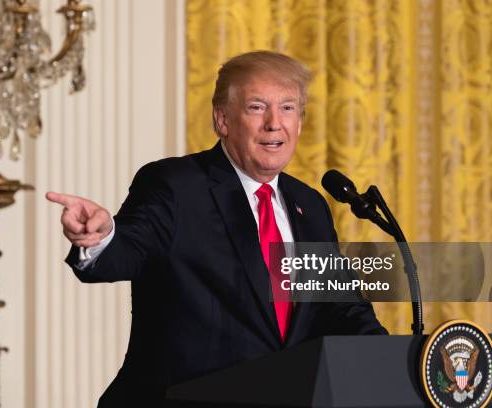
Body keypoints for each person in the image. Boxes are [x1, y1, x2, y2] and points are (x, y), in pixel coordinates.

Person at [46, 50, 387, 407]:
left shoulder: (311, 206)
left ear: (300, 122)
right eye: (257, 107)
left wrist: (396, 360)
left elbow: (342, 306)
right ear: (222, 119)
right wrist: (100, 239)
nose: (275, 123)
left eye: (287, 108)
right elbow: (130, 249)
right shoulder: (175, 187)